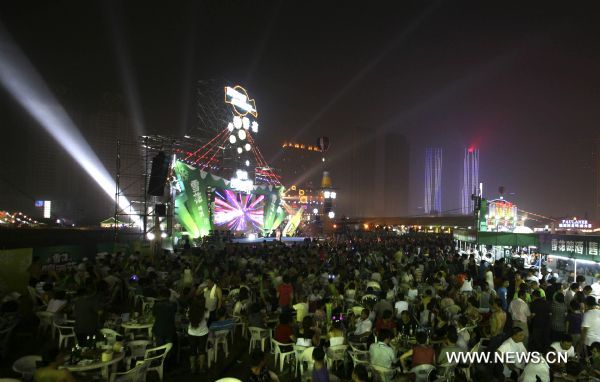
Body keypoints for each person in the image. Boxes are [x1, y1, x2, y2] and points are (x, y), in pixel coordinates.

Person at [187, 299, 209, 373]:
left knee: (192, 351)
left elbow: (188, 318)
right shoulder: (206, 311)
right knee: (201, 351)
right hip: (203, 333)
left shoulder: (189, 311)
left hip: (191, 333)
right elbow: (207, 320)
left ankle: (192, 368)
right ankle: (201, 368)